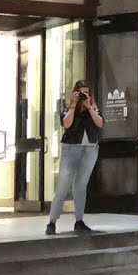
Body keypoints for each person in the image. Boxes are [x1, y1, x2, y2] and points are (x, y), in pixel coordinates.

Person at [46, 80, 103, 235]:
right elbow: (66, 124)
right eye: (81, 93)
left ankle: (79, 220)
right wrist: (73, 105)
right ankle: (52, 222)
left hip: (90, 149)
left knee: (81, 185)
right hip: (71, 148)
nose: (84, 96)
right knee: (63, 185)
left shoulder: (94, 108)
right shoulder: (69, 107)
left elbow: (100, 123)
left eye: (87, 93)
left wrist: (89, 106)